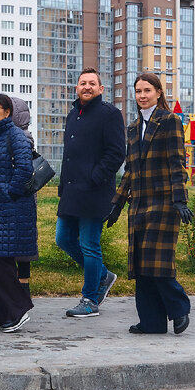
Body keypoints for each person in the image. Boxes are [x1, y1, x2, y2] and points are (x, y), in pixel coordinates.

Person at [107, 72, 192, 334]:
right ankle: (152, 322)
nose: (142, 96)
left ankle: (179, 308)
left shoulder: (170, 121)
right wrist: (117, 204)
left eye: (147, 91)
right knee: (141, 266)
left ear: (158, 92)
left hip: (165, 203)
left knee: (159, 264)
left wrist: (179, 199)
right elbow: (130, 171)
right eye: (138, 91)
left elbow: (177, 163)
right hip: (139, 205)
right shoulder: (132, 128)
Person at [56, 68, 126, 319]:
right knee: (63, 239)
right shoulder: (73, 114)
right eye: (82, 83)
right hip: (71, 191)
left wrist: (95, 177)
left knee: (89, 245)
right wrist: (62, 185)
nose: (87, 87)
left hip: (94, 191)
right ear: (76, 88)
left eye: (92, 83)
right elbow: (69, 156)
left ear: (101, 89)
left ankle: (90, 300)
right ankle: (103, 276)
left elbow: (116, 153)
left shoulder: (110, 114)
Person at [0, 92, 38, 332]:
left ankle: (18, 307)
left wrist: (9, 193)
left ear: (7, 112)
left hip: (11, 208)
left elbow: (24, 169)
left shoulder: (15, 135)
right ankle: (2, 314)